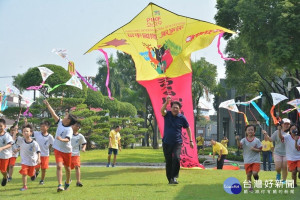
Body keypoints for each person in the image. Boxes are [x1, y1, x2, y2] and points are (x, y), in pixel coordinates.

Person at [44, 100, 77, 192]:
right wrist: (48, 105)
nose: (64, 116)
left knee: (67, 168)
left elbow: (67, 139)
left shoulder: (69, 130)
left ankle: (67, 181)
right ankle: (59, 185)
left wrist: (61, 139)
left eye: (66, 116)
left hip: (66, 151)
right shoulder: (60, 122)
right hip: (57, 149)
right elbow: (53, 113)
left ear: (69, 120)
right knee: (59, 166)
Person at [161, 95, 194, 184]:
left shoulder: (182, 117)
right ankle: (170, 179)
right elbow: (162, 111)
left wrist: (191, 140)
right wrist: (166, 103)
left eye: (177, 108)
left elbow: (188, 128)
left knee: (176, 158)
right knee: (168, 161)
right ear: (171, 108)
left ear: (179, 109)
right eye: (174, 107)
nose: (175, 109)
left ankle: (174, 177)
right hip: (166, 142)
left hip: (177, 143)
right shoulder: (167, 114)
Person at [236, 124, 262, 192]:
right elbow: (239, 146)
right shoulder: (243, 140)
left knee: (254, 173)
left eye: (252, 130)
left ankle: (256, 177)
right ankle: (250, 187)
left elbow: (260, 149)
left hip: (256, 160)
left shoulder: (257, 140)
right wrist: (238, 140)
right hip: (247, 160)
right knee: (248, 175)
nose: (250, 131)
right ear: (246, 131)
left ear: (254, 131)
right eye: (249, 130)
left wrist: (254, 149)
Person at [264, 118, 290, 183]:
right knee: (278, 167)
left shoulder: (290, 133)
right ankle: (278, 173)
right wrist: (265, 134)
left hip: (287, 153)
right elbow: (270, 139)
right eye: (285, 124)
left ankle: (284, 180)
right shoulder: (276, 132)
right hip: (277, 152)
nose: (286, 125)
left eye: (288, 124)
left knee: (285, 166)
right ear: (282, 124)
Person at [17, 124, 41, 191]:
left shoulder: (34, 143)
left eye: (27, 131)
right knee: (24, 173)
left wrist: (39, 158)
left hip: (32, 161)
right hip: (24, 161)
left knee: (30, 174)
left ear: (31, 133)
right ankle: (24, 186)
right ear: (22, 133)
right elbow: (13, 139)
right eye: (24, 131)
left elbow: (38, 151)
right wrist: (15, 130)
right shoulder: (21, 140)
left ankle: (34, 174)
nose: (25, 132)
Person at [278, 122, 300, 187]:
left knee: (299, 170)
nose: (293, 130)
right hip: (291, 158)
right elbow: (281, 137)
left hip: (299, 157)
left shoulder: (299, 138)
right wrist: (279, 130)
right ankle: (294, 183)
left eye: (295, 129)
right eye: (292, 129)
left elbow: (297, 148)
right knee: (293, 172)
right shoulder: (287, 137)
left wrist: (296, 141)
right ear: (290, 131)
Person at [33, 121, 54, 185]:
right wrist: (25, 123)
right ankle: (37, 171)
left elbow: (54, 144)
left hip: (45, 155)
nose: (41, 128)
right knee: (36, 167)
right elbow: (29, 131)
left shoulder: (50, 136)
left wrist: (55, 151)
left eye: (43, 126)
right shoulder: (37, 133)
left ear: (47, 127)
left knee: (44, 169)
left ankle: (42, 180)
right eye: (41, 126)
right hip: (37, 155)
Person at [71, 122, 86, 187]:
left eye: (77, 126)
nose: (75, 127)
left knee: (77, 167)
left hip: (76, 154)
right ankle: (68, 179)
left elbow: (84, 143)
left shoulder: (80, 136)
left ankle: (78, 181)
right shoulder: (68, 134)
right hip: (68, 153)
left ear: (78, 128)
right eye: (74, 125)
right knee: (68, 168)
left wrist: (83, 148)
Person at [0, 118, 13, 187]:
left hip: (5, 156)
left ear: (4, 126)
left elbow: (10, 144)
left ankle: (5, 177)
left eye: (0, 126)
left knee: (3, 170)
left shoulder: (7, 135)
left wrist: (2, 148)